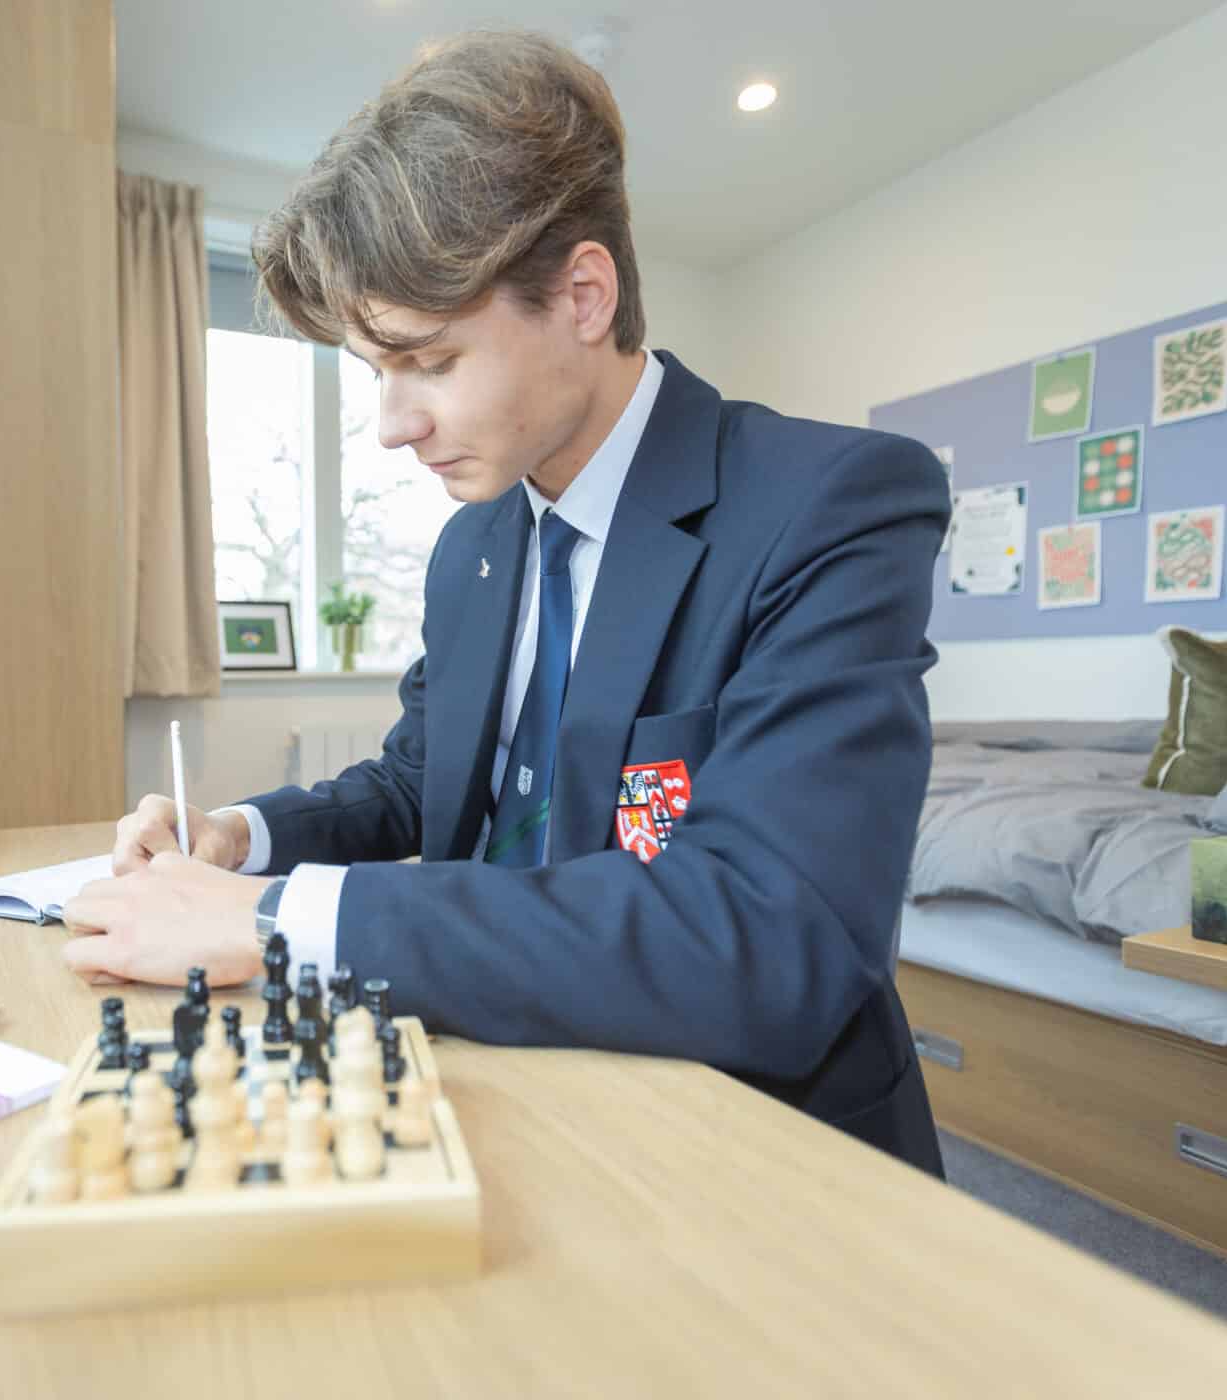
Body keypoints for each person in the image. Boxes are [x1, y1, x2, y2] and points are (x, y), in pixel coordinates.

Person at [63, 30, 949, 1175]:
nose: (390, 423)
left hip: (754, 1149)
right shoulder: (476, 544)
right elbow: (417, 781)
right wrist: (246, 836)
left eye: (428, 362)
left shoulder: (830, 503)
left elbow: (774, 938)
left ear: (583, 294)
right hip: (511, 1103)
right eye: (374, 370)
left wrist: (277, 917)